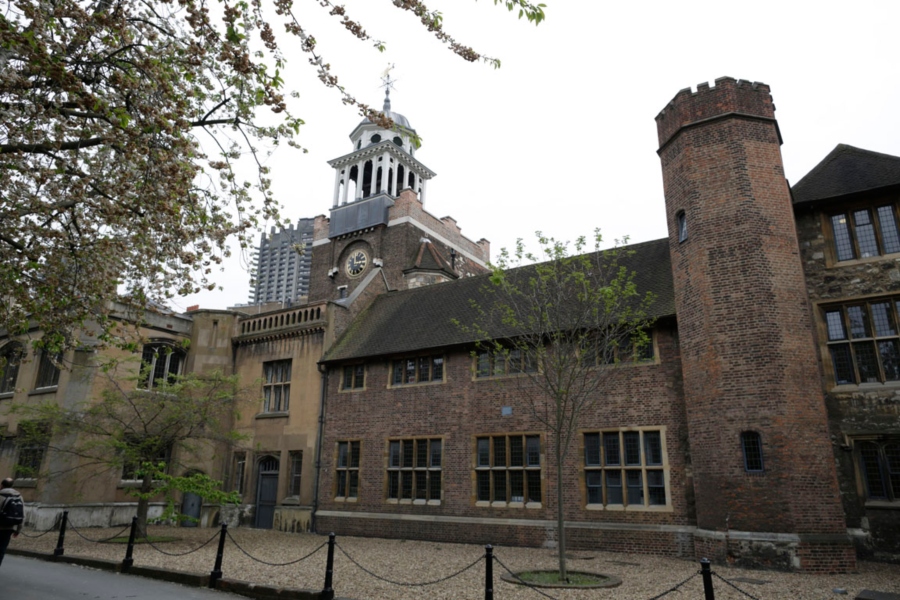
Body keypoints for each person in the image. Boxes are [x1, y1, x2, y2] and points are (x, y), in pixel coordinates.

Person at [0, 477, 24, 567]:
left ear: (1, 485)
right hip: (9, 527)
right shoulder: (19, 496)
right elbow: (22, 514)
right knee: (2, 549)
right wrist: (18, 530)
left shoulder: (1, 496)